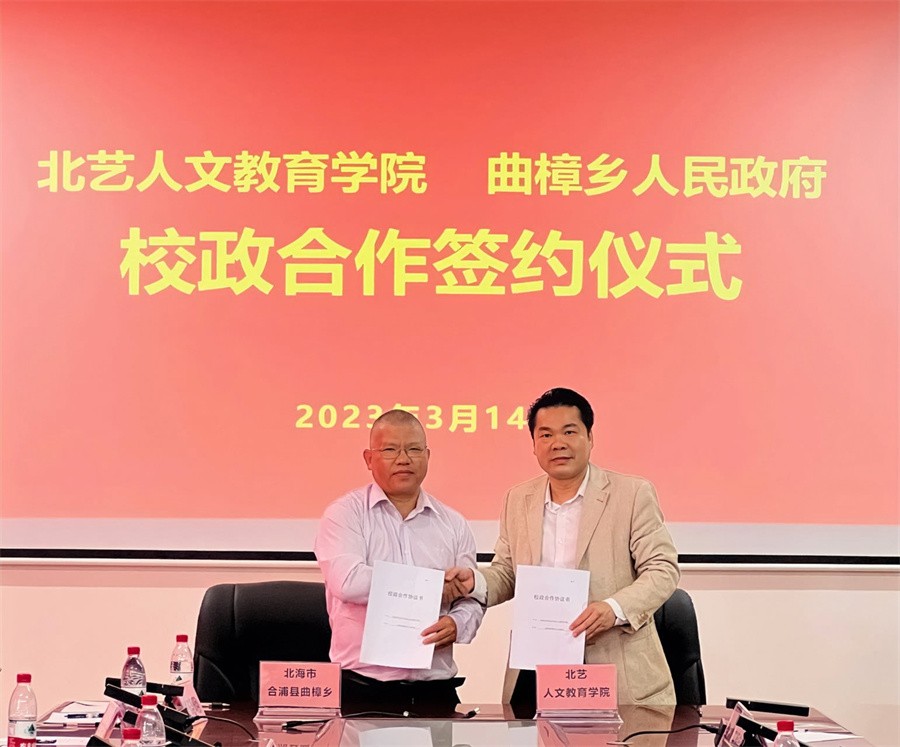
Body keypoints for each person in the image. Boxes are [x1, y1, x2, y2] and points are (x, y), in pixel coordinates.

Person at [444, 387, 679, 710]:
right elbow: (508, 573)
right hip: (536, 662)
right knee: (525, 732)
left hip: (610, 664)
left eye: (569, 432)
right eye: (546, 435)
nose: (558, 443)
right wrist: (476, 582)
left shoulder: (632, 494)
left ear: (590, 437)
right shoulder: (518, 499)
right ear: (534, 445)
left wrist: (612, 609)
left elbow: (662, 569)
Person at [314, 409, 484, 716]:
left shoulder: (454, 523)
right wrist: (433, 585)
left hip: (435, 692)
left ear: (428, 456)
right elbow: (348, 582)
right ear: (369, 459)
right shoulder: (345, 515)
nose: (403, 459)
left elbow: (469, 598)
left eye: (414, 449)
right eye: (390, 450)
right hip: (363, 692)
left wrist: (457, 624)